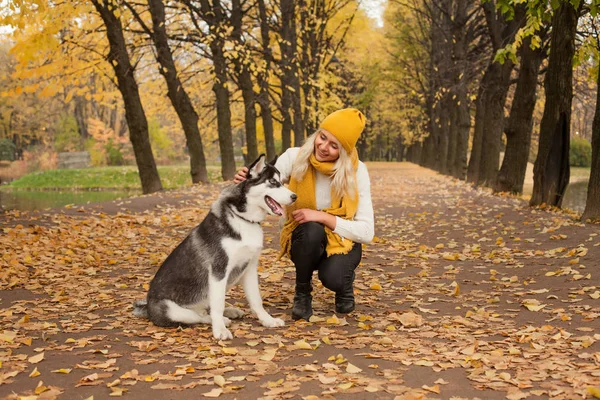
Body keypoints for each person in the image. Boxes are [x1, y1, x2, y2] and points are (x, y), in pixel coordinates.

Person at [233, 108, 374, 320]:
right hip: (305, 239)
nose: (323, 147)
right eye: (322, 137)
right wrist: (247, 181)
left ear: (344, 151)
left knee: (334, 278)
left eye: (334, 146)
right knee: (310, 229)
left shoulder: (357, 171)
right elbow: (267, 185)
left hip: (342, 240)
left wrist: (323, 216)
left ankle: (343, 284)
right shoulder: (294, 157)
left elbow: (367, 231)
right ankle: (302, 292)